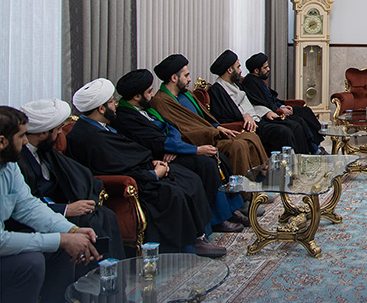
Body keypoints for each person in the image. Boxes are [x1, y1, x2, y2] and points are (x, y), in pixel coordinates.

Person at [65, 78, 225, 258]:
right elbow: (114, 166)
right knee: (175, 191)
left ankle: (200, 235)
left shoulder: (98, 126)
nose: (115, 104)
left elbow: (125, 154)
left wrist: (152, 162)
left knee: (189, 177)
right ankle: (187, 245)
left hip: (141, 169)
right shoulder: (90, 136)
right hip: (132, 181)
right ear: (101, 109)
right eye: (111, 101)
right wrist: (153, 174)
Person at [112, 69, 248, 233]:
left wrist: (174, 145)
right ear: (136, 96)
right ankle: (218, 218)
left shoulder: (146, 108)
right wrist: (195, 150)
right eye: (149, 92)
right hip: (158, 157)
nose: (152, 95)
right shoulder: (126, 117)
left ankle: (232, 208)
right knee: (206, 163)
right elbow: (154, 142)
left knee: (219, 157)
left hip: (171, 148)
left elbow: (172, 127)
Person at [1, 106, 100, 303]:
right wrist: (60, 239)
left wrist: (70, 230)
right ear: (2, 142)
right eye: (21, 136)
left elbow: (28, 206)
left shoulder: (8, 165)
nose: (26, 142)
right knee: (31, 262)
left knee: (63, 249)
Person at [17, 99, 124, 261]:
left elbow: (76, 174)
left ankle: (111, 268)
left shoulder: (44, 151)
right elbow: (25, 205)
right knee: (90, 221)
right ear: (43, 133)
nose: (61, 133)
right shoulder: (17, 159)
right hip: (37, 218)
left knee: (103, 215)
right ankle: (95, 272)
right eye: (58, 129)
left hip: (53, 208)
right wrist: (66, 209)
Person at [150, 54, 268, 177]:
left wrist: (217, 127)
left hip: (210, 133)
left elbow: (204, 118)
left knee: (251, 137)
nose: (190, 79)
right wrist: (213, 132)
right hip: (198, 141)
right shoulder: (161, 101)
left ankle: (262, 178)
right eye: (186, 75)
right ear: (174, 78)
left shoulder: (186, 94)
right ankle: (242, 187)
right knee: (238, 145)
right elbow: (182, 130)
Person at [206, 50, 309, 155]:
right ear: (229, 70)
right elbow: (224, 116)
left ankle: (301, 159)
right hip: (247, 126)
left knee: (293, 125)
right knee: (282, 131)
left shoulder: (236, 85)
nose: (241, 71)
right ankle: (284, 163)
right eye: (238, 67)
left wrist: (266, 112)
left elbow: (252, 104)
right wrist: (244, 116)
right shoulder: (217, 90)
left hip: (257, 118)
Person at [242, 52, 326, 153]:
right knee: (298, 121)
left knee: (304, 111)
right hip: (270, 114)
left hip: (277, 108)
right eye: (265, 67)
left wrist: (283, 106)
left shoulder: (259, 80)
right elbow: (262, 103)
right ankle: (313, 149)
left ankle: (317, 145)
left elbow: (272, 99)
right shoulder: (250, 82)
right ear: (256, 70)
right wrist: (280, 110)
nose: (268, 69)